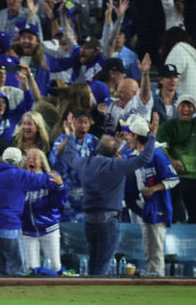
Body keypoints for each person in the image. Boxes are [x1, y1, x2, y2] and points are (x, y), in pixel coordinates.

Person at [59, 111, 158, 275]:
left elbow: (69, 155)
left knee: (93, 259)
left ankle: (89, 294)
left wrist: (70, 134)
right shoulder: (118, 166)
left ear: (97, 149)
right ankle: (98, 295)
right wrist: (152, 135)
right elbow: (144, 158)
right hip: (108, 219)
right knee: (103, 263)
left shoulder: (86, 163)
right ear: (114, 153)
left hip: (89, 220)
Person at [0, 147, 61, 275]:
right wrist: (57, 178)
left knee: (1, 269)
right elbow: (43, 180)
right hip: (7, 225)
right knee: (17, 270)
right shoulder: (18, 175)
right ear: (19, 162)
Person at [122, 115, 180, 277]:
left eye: (129, 134)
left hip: (159, 206)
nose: (126, 137)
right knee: (149, 250)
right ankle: (153, 279)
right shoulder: (133, 156)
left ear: (135, 136)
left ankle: (159, 280)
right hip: (145, 208)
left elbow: (173, 179)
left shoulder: (157, 154)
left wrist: (153, 189)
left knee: (156, 250)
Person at [157, 94, 196, 223]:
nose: (186, 108)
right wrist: (172, 160)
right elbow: (159, 146)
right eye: (183, 105)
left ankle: (195, 241)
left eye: (190, 105)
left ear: (195, 109)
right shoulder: (169, 126)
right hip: (175, 177)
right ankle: (171, 241)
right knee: (172, 214)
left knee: (195, 214)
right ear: (177, 108)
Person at [22, 148, 67, 272]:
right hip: (27, 231)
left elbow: (60, 203)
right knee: (30, 269)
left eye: (34, 158)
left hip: (49, 228)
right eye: (28, 158)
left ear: (42, 162)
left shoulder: (51, 178)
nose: (31, 161)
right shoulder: (21, 179)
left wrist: (60, 187)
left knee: (55, 266)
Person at [49, 108, 98, 222]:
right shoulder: (61, 139)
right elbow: (54, 158)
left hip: (88, 196)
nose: (83, 126)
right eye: (80, 122)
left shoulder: (93, 141)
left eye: (86, 122)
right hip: (68, 196)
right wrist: (69, 136)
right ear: (73, 123)